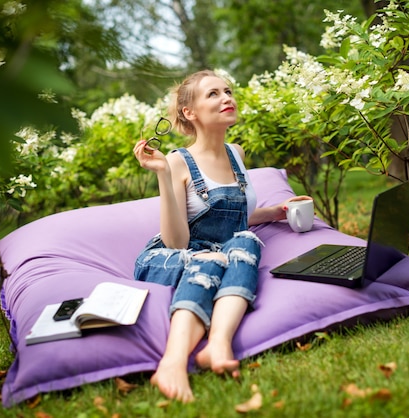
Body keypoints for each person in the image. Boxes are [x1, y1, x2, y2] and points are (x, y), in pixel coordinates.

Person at [133, 70, 311, 403]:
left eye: (227, 91)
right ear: (190, 112)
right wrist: (162, 175)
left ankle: (218, 344)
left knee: (247, 240)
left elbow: (233, 218)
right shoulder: (176, 161)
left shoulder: (237, 154)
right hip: (172, 254)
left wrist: (275, 211)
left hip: (222, 250)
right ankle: (172, 363)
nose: (226, 98)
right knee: (213, 257)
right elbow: (176, 242)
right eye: (213, 94)